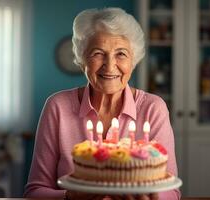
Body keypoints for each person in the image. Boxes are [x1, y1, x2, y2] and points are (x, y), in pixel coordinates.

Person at [24, 7, 181, 200]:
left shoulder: (153, 108)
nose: (109, 65)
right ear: (82, 60)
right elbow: (34, 192)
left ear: (133, 61)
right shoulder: (57, 107)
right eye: (98, 53)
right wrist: (70, 197)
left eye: (121, 54)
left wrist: (153, 198)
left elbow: (172, 191)